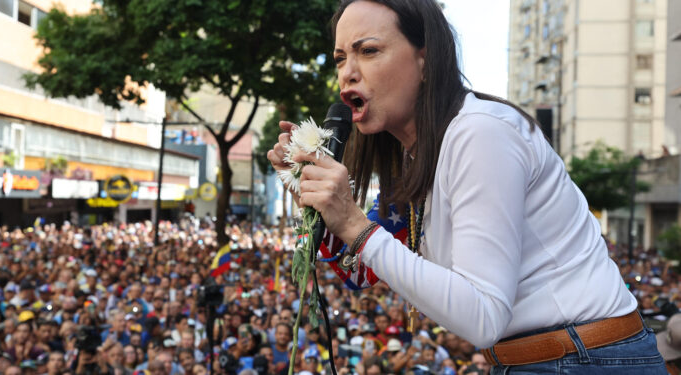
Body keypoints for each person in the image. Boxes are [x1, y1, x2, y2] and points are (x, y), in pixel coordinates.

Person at [267, 0, 666, 373]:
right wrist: (310, 194)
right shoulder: (416, 156)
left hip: (584, 359)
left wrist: (353, 223)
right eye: (340, 58)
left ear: (425, 61)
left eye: (367, 51)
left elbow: (483, 317)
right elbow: (361, 271)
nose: (348, 71)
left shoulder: (479, 133)